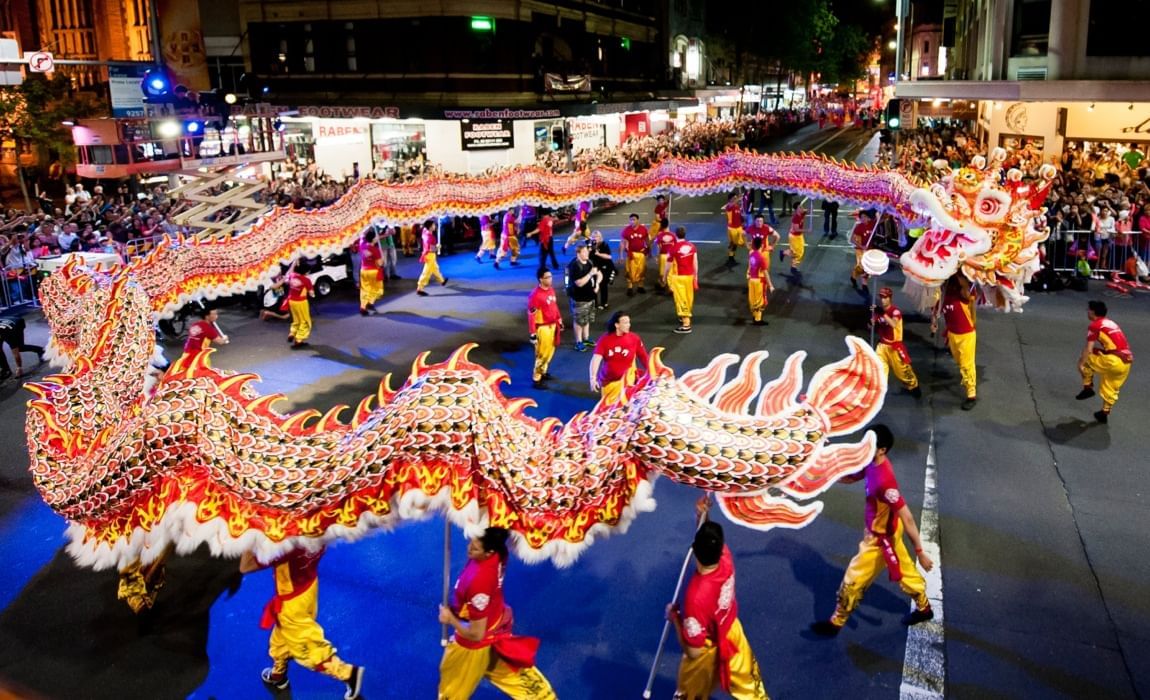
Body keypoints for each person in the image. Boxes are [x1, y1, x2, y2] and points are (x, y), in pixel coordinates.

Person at [810, 423, 934, 636]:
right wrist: (828, 467)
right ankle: (924, 608)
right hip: (887, 532)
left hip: (879, 540)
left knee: (852, 580)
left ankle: (836, 623)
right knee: (906, 574)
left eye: (870, 444)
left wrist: (920, 552)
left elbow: (908, 517)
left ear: (882, 449)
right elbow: (851, 476)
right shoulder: (871, 462)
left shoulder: (884, 481)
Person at [666, 498, 769, 700]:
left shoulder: (696, 597)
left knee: (689, 694)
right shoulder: (725, 558)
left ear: (694, 550)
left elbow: (694, 652)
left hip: (706, 648)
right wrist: (701, 517)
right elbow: (708, 540)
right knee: (751, 690)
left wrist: (675, 619)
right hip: (732, 633)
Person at [438, 527, 557, 699]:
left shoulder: (478, 581)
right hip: (495, 631)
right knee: (538, 693)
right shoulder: (499, 553)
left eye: (476, 548)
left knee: (451, 695)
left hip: (472, 648)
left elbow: (476, 634)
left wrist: (451, 619)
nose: (469, 548)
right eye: (471, 541)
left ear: (489, 552)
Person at [240, 547, 365, 699]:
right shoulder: (318, 527)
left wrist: (249, 539)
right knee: (282, 637)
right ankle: (278, 675)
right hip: (308, 588)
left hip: (291, 603)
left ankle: (347, 673)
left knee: (305, 647)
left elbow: (245, 566)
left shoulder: (283, 546)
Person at [1076, 300, 1133, 423]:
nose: (1087, 312)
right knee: (1111, 386)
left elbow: (1089, 348)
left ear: (1092, 312)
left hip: (1113, 360)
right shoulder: (1111, 323)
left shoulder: (1095, 325)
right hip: (1126, 361)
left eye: (1088, 310)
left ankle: (1087, 387)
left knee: (1087, 358)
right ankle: (1104, 412)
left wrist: (1081, 364)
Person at [932, 273, 977, 410]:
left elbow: (966, 291)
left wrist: (957, 269)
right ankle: (967, 379)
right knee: (959, 362)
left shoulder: (964, 291)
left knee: (966, 364)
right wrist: (933, 321)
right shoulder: (944, 292)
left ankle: (971, 395)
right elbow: (937, 308)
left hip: (966, 335)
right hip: (952, 334)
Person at [589, 311, 649, 405]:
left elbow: (643, 356)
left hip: (628, 381)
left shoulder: (634, 338)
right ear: (617, 325)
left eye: (629, 322)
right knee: (609, 410)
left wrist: (652, 371)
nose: (628, 325)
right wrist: (593, 378)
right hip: (610, 382)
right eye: (625, 322)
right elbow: (596, 359)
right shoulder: (604, 340)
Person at [872, 288, 921, 397]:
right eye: (881, 298)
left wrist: (882, 314)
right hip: (882, 346)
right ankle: (880, 392)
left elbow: (893, 324)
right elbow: (872, 325)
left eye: (885, 298)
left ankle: (914, 386)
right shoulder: (879, 312)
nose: (883, 300)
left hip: (894, 348)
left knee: (902, 373)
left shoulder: (895, 311)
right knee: (879, 368)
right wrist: (872, 321)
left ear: (890, 298)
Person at [528, 267, 563, 390]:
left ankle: (543, 371)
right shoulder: (535, 296)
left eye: (551, 276)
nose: (550, 279)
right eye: (547, 277)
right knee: (542, 354)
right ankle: (536, 378)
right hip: (542, 329)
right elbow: (531, 315)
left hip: (552, 326)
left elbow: (554, 306)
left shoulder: (551, 290)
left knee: (550, 352)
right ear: (541, 279)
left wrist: (559, 319)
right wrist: (532, 333)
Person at [565, 243, 602, 352]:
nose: (587, 253)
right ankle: (578, 342)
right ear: (578, 253)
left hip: (590, 297)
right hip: (579, 299)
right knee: (579, 321)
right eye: (585, 252)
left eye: (587, 251)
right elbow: (579, 283)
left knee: (587, 320)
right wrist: (590, 274)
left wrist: (597, 284)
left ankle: (586, 338)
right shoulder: (574, 266)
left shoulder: (589, 262)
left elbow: (599, 274)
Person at [665, 226, 698, 334]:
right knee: (688, 298)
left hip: (678, 278)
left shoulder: (673, 248)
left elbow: (668, 265)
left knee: (681, 299)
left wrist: (664, 276)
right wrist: (695, 276)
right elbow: (695, 263)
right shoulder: (692, 246)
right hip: (689, 276)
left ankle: (686, 324)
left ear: (675, 235)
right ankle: (684, 316)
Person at [0, 313, 45, 381]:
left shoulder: (8, 334)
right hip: (6, 321)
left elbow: (16, 354)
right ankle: (6, 370)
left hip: (18, 323)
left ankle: (41, 350)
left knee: (20, 348)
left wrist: (19, 368)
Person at [280, 263, 315, 349]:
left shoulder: (292, 275)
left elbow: (286, 279)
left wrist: (294, 263)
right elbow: (312, 294)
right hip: (301, 302)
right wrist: (312, 293)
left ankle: (292, 333)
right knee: (305, 321)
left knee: (296, 319)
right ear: (306, 271)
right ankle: (299, 340)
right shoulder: (306, 280)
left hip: (292, 301)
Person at [416, 219, 449, 297]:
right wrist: (437, 247)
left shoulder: (425, 231)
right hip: (429, 255)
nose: (435, 226)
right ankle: (420, 288)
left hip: (429, 255)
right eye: (434, 225)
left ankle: (442, 280)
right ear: (430, 227)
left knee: (435, 268)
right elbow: (430, 249)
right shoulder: (429, 237)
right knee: (426, 272)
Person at [620, 213, 649, 295]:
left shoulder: (643, 229)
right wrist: (621, 256)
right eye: (631, 220)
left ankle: (640, 286)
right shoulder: (626, 230)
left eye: (634, 219)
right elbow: (622, 243)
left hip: (641, 254)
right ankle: (630, 287)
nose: (632, 221)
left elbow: (647, 241)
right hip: (631, 254)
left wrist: (649, 252)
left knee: (642, 270)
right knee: (629, 271)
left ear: (637, 220)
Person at [358, 228, 385, 316]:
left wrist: (367, 228)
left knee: (365, 289)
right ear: (373, 239)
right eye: (376, 236)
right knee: (378, 289)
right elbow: (379, 263)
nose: (377, 237)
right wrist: (382, 260)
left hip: (363, 271)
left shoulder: (362, 244)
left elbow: (362, 235)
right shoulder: (375, 249)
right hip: (373, 271)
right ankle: (370, 302)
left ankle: (363, 306)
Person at [746, 237, 772, 327]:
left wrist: (748, 273)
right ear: (762, 245)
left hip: (751, 280)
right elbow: (766, 273)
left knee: (753, 299)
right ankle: (758, 319)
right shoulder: (761, 258)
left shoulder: (751, 254)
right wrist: (770, 285)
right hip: (758, 281)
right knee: (759, 301)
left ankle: (754, 316)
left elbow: (750, 265)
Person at [588, 229, 616, 311]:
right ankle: (595, 304)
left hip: (604, 268)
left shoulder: (604, 245)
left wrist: (598, 254)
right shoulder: (589, 245)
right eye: (593, 237)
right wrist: (589, 250)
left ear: (600, 237)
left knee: (603, 286)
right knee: (594, 286)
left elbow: (609, 257)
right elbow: (586, 257)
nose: (595, 238)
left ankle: (604, 303)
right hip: (593, 269)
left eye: (597, 236)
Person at [850, 211, 875, 292]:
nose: (863, 219)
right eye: (861, 217)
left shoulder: (873, 224)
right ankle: (853, 276)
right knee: (861, 267)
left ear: (868, 217)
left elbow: (882, 219)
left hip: (869, 249)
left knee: (867, 267)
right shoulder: (859, 227)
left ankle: (864, 283)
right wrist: (862, 246)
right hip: (860, 249)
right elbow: (852, 240)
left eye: (865, 217)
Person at [723, 191, 745, 270]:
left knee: (737, 244)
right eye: (734, 198)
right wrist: (739, 197)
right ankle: (730, 258)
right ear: (730, 199)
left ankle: (731, 256)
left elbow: (739, 216)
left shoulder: (736, 206)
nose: (736, 199)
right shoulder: (729, 206)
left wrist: (742, 220)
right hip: (732, 228)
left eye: (736, 198)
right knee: (733, 244)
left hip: (738, 227)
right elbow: (730, 205)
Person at [783, 206, 807, 276]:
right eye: (800, 208)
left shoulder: (801, 213)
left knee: (801, 251)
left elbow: (808, 210)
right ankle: (793, 267)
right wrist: (807, 230)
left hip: (799, 236)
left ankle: (784, 253)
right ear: (797, 210)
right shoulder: (795, 218)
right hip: (794, 236)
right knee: (796, 253)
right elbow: (796, 229)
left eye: (802, 207)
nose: (802, 209)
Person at [654, 218, 676, 294]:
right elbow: (675, 246)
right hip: (671, 256)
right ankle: (671, 287)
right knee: (670, 272)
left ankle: (663, 285)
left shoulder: (660, 236)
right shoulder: (673, 235)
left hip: (663, 256)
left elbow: (659, 247)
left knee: (662, 272)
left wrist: (657, 257)